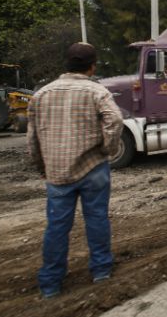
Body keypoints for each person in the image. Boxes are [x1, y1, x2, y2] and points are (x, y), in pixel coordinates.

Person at [27, 42, 124, 299]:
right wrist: (107, 149)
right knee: (97, 219)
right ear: (92, 66)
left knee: (57, 227)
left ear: (67, 64)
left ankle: (50, 284)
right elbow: (115, 120)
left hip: (57, 172)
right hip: (93, 167)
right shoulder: (97, 91)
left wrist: (42, 166)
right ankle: (101, 271)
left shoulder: (41, 95)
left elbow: (33, 138)